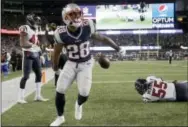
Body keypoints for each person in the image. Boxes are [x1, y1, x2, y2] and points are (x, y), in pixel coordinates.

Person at [50, 3, 125, 126]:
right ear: (65, 17)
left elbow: (102, 38)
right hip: (71, 63)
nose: (76, 17)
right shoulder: (60, 32)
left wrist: (118, 48)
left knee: (84, 94)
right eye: (72, 15)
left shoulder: (87, 25)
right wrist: (55, 66)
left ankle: (78, 104)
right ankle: (60, 117)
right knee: (60, 89)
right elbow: (56, 52)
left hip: (86, 63)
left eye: (78, 14)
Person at [18, 13, 49, 104]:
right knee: (26, 76)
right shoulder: (25, 28)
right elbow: (23, 44)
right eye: (36, 21)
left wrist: (41, 54)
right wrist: (34, 45)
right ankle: (20, 97)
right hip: (28, 54)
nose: (37, 24)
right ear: (30, 21)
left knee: (39, 74)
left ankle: (38, 95)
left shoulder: (34, 31)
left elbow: (37, 44)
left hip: (36, 54)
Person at [45, 23, 68, 87]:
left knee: (57, 70)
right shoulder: (63, 37)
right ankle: (62, 83)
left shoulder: (53, 39)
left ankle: (56, 83)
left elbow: (48, 37)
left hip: (57, 55)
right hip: (62, 55)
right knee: (63, 70)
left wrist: (46, 31)